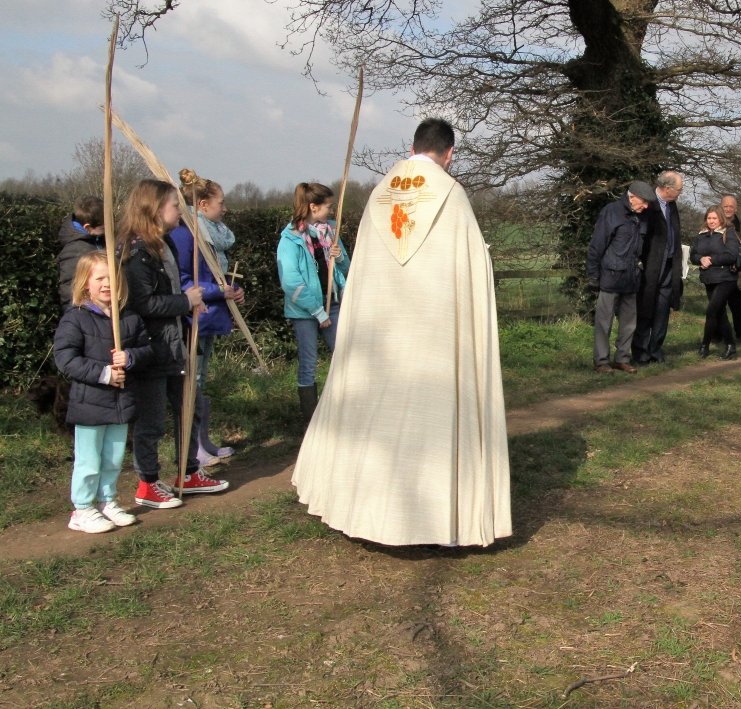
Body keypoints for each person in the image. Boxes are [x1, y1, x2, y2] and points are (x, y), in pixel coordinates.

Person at [292, 118, 511, 548]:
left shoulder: (379, 194)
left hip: (382, 339)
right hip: (434, 335)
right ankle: (438, 523)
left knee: (379, 419)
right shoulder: (450, 194)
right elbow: (472, 269)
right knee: (434, 419)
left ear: (412, 147)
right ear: (449, 154)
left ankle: (368, 513)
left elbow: (364, 274)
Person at [120, 179, 229, 509]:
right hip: (152, 348)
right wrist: (184, 300)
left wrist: (189, 302)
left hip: (175, 342)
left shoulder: (164, 244)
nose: (180, 211)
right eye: (174, 205)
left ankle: (188, 472)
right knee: (152, 419)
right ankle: (148, 483)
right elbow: (143, 303)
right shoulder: (137, 254)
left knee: (188, 408)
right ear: (154, 211)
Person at [53, 252, 153, 533]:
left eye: (112, 277)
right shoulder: (76, 318)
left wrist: (130, 357)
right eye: (100, 278)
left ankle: (106, 500)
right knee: (89, 459)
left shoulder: (129, 317)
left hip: (121, 402)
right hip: (91, 402)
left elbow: (147, 350)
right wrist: (105, 372)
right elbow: (65, 358)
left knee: (112, 458)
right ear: (86, 283)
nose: (107, 284)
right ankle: (82, 509)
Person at [169, 170, 245, 465]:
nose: (224, 209)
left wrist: (233, 290)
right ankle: (193, 450)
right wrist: (218, 292)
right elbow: (185, 280)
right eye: (221, 203)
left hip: (211, 315)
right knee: (193, 381)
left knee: (201, 380)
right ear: (202, 204)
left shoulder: (207, 234)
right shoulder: (186, 234)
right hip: (196, 318)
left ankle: (202, 442)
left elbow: (215, 273)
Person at [277, 182, 351, 424]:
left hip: (334, 305)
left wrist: (339, 258)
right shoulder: (290, 239)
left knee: (344, 357)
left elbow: (347, 268)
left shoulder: (330, 231)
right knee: (308, 363)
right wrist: (317, 311)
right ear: (313, 206)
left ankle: (342, 412)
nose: (331, 211)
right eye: (328, 206)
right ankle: (312, 422)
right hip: (306, 312)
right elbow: (291, 282)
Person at [586, 181, 651, 373]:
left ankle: (622, 359)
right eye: (644, 202)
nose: (646, 206)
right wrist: (593, 275)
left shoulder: (643, 217)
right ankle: (601, 362)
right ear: (632, 197)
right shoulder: (611, 212)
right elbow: (597, 244)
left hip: (632, 278)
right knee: (603, 323)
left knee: (629, 324)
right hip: (610, 277)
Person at [633, 171, 684, 365]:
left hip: (669, 266)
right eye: (679, 189)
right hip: (650, 267)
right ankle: (641, 352)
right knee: (645, 310)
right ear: (668, 188)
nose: (681, 192)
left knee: (663, 310)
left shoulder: (672, 206)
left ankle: (656, 350)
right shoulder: (649, 204)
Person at [691, 206, 741, 360]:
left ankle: (704, 345)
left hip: (726, 278)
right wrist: (700, 259)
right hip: (709, 278)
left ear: (720, 218)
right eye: (709, 218)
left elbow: (731, 255)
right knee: (720, 314)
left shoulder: (729, 233)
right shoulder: (701, 235)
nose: (711, 221)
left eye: (714, 218)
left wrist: (711, 260)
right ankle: (730, 346)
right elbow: (693, 254)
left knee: (712, 310)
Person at [57, 196, 105, 306]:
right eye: (104, 226)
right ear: (87, 228)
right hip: (90, 313)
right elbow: (69, 292)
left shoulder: (99, 239)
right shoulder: (74, 252)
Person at [721, 194, 741, 342]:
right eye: (725, 206)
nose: (728, 209)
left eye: (731, 207)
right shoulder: (715, 223)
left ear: (736, 208)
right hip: (719, 271)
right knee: (718, 307)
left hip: (736, 271)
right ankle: (718, 335)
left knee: (737, 306)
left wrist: (737, 259)